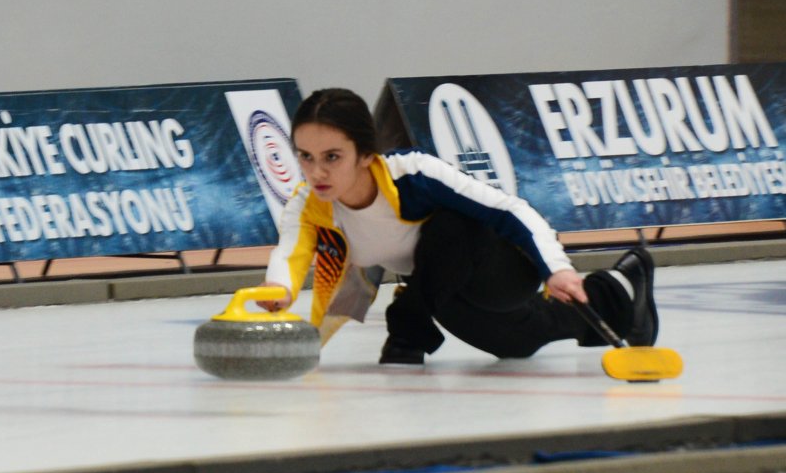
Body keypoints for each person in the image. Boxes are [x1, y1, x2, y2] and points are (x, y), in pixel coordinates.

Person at [258, 88, 658, 365]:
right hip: (441, 289)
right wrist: (279, 290)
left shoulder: (414, 173)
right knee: (518, 342)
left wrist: (556, 268)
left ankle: (407, 332)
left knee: (446, 227)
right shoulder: (308, 207)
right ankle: (619, 293)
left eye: (332, 157)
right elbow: (290, 253)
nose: (317, 172)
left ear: (365, 154)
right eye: (306, 157)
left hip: (502, 266)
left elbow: (507, 210)